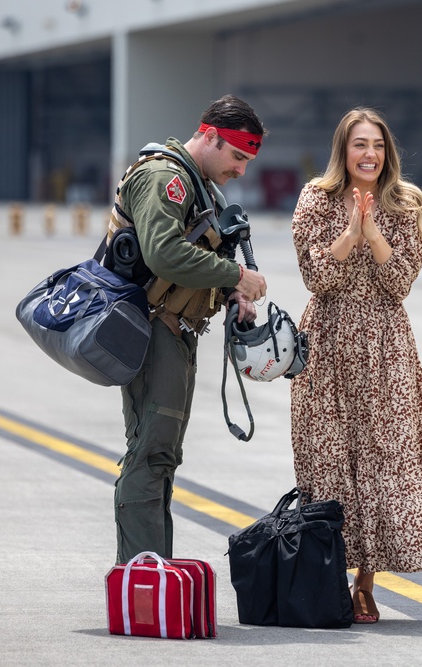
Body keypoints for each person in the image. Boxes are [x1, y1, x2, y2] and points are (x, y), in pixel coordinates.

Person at [289, 108, 422, 623]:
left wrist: (372, 229)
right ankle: (329, 571)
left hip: (385, 349)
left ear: (388, 151)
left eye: (377, 145)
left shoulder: (405, 204)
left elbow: (398, 283)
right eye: (359, 145)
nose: (370, 155)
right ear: (343, 150)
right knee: (328, 462)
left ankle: (365, 583)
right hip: (329, 346)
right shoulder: (314, 198)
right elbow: (316, 278)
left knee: (383, 462)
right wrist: (350, 231)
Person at [113, 95, 268, 564]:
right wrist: (238, 277)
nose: (241, 170)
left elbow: (188, 264)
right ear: (210, 136)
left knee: (163, 457)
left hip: (176, 332)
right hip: (153, 330)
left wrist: (229, 295)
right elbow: (164, 255)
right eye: (237, 156)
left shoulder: (198, 186)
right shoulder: (167, 179)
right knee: (150, 453)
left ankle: (153, 574)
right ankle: (141, 578)